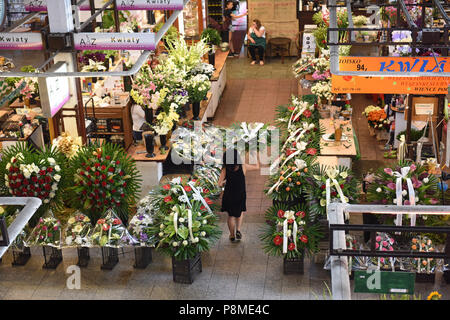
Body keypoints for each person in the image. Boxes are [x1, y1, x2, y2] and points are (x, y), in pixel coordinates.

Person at [218, 148, 260, 242]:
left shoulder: (225, 169)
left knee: (231, 216)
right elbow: (257, 167)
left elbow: (219, 183)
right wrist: (255, 156)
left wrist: (225, 181)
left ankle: (232, 235)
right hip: (240, 194)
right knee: (240, 212)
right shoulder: (243, 166)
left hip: (229, 195)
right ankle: (238, 230)